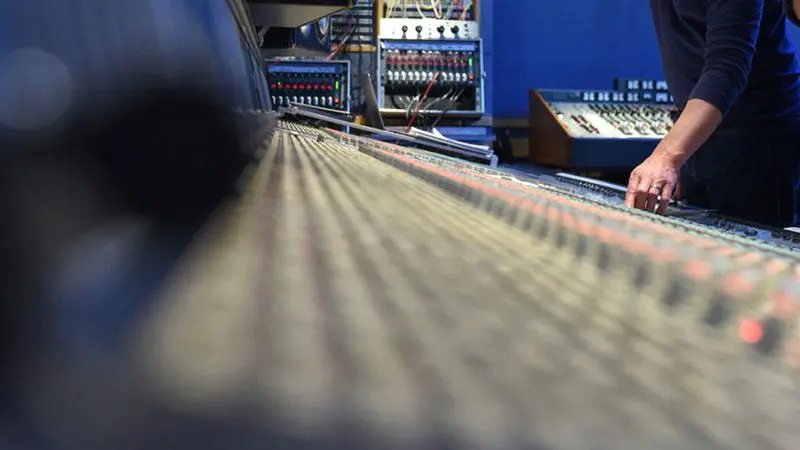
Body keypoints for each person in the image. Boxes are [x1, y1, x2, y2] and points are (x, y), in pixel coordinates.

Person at [626, 0, 800, 228]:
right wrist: (680, 143)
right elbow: (685, 47)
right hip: (703, 137)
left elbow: (727, 67)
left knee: (747, 257)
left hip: (757, 141)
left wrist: (667, 156)